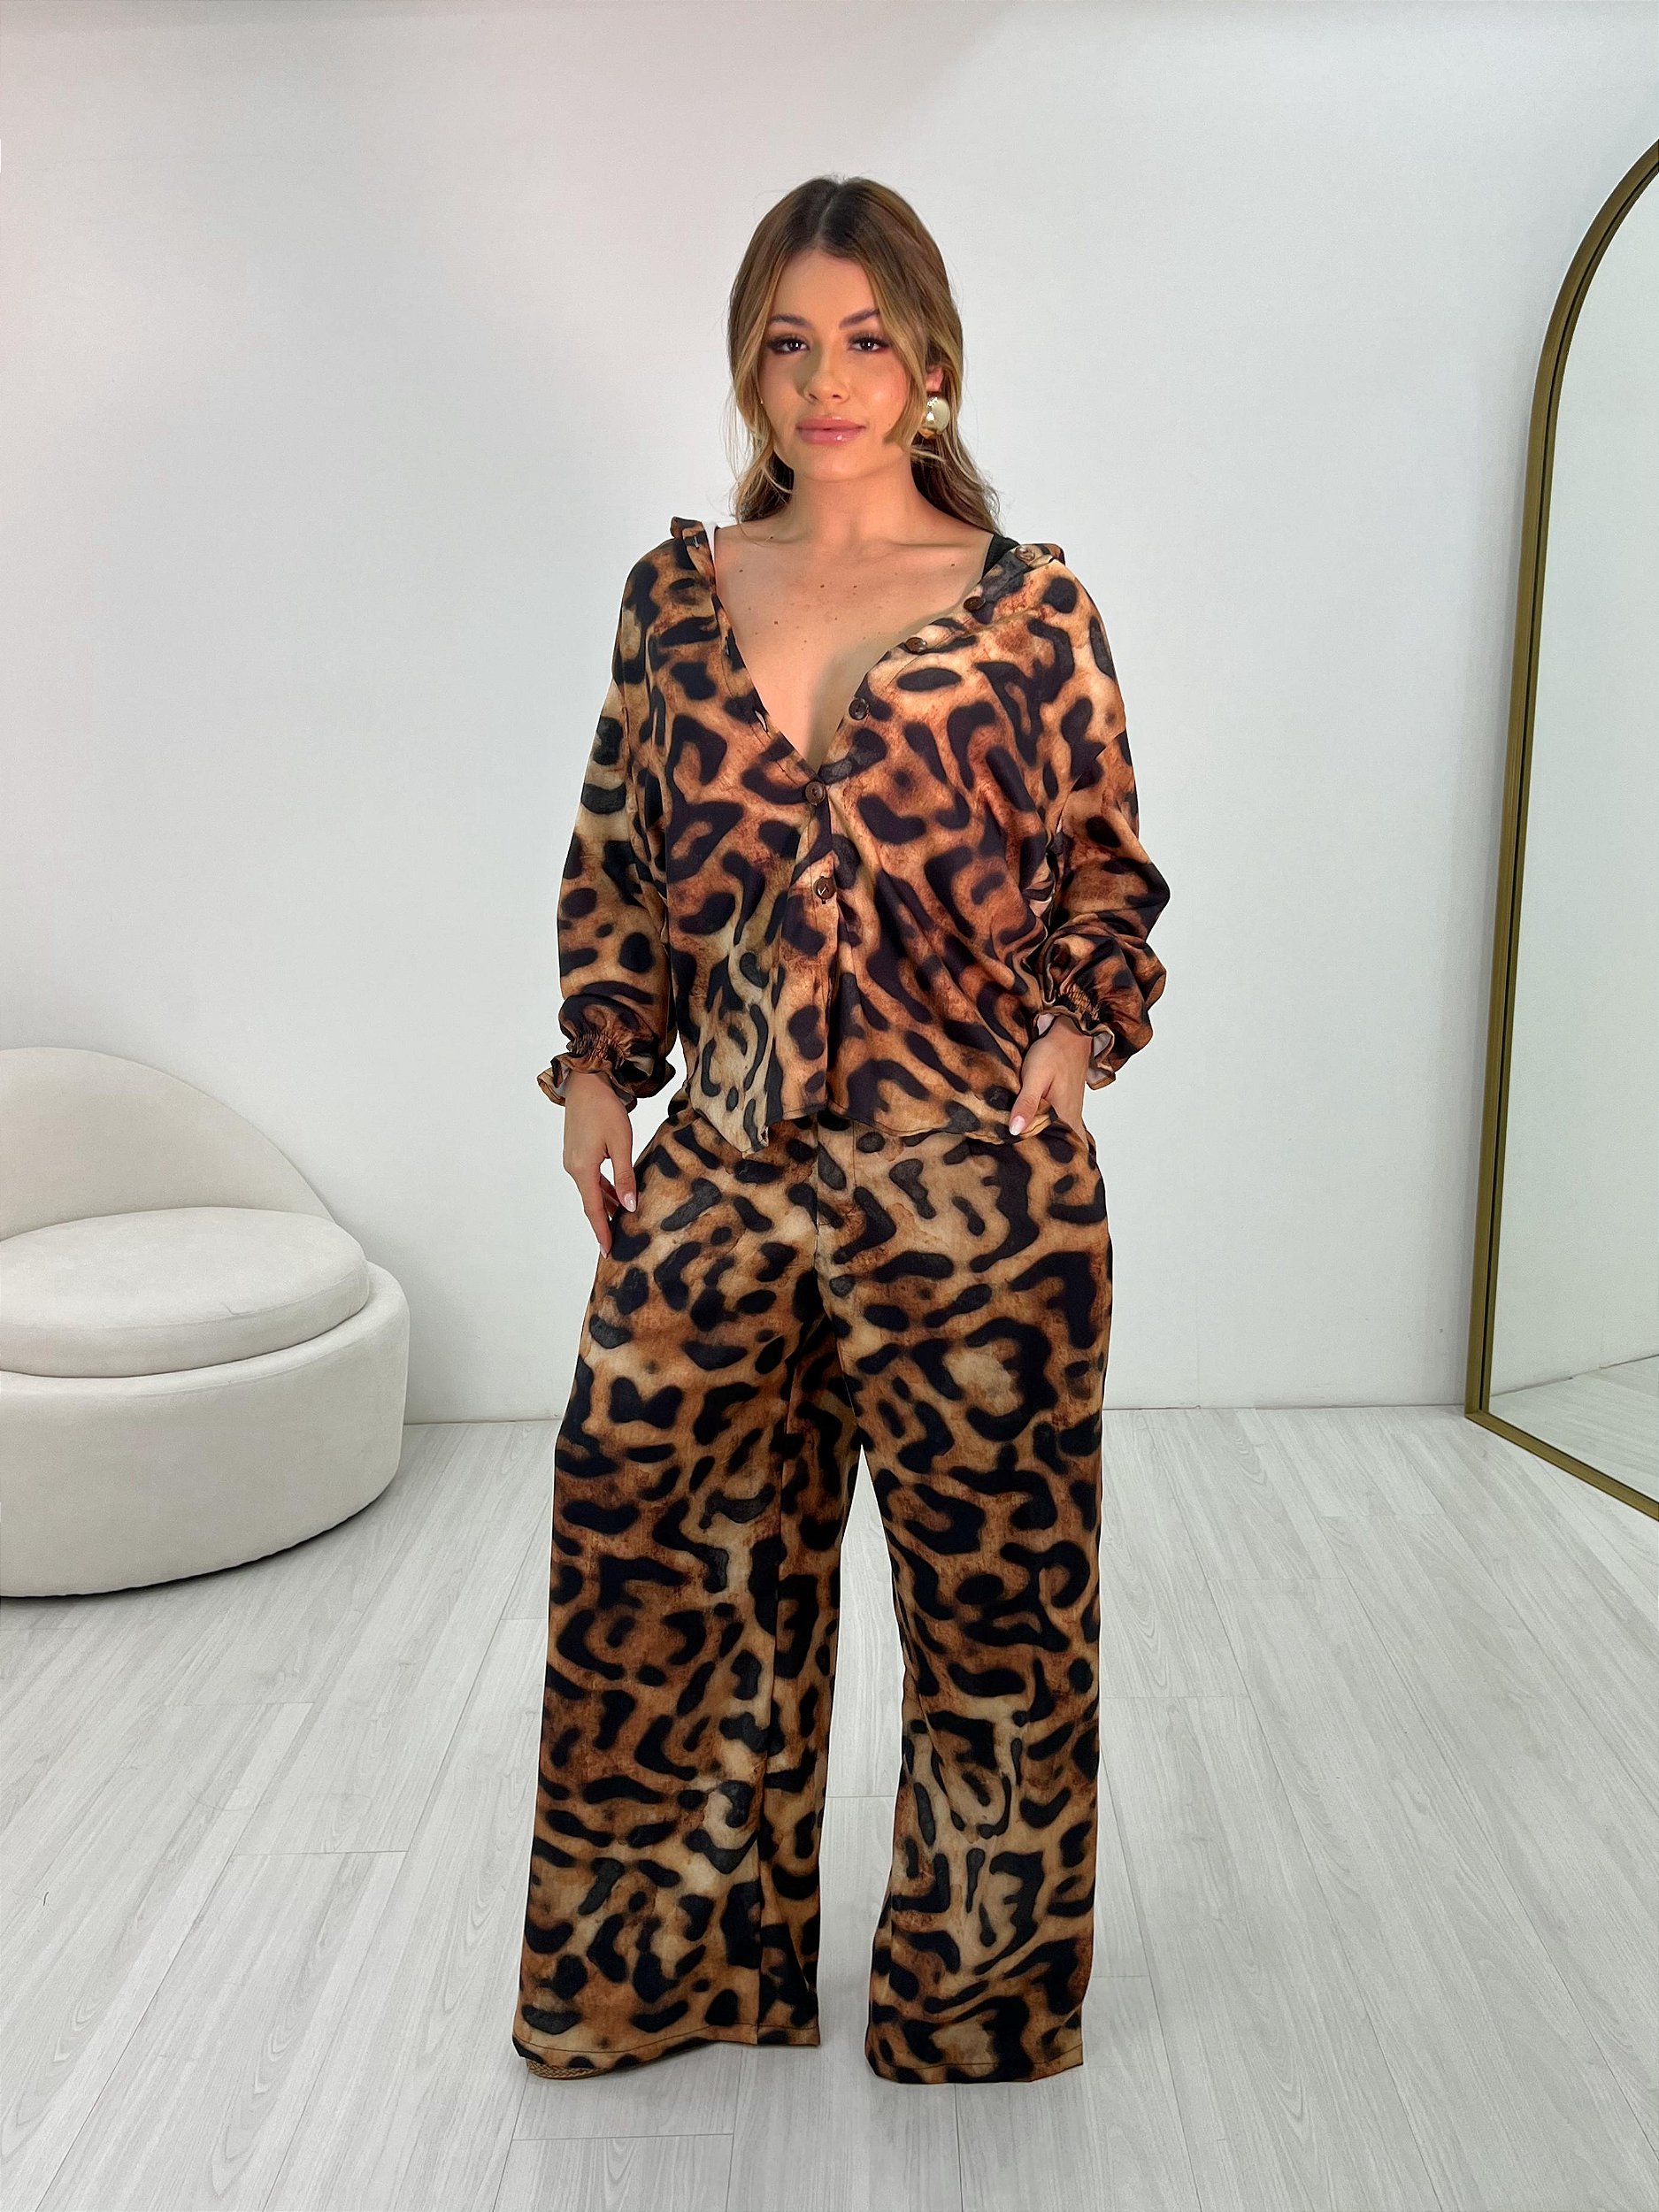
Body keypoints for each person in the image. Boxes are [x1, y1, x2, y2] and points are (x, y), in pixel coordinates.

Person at [511, 174, 1171, 2089]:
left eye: (867, 337)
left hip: (975, 1194)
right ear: (749, 363)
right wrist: (595, 1071)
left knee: (996, 1630)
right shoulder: (673, 599)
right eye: (788, 342)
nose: (828, 379)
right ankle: (669, 1976)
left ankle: (973, 2011)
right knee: (651, 1579)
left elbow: (1107, 875)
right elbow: (618, 865)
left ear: (933, 358)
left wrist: (1068, 1046)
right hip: (717, 1183)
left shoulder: (1034, 611)